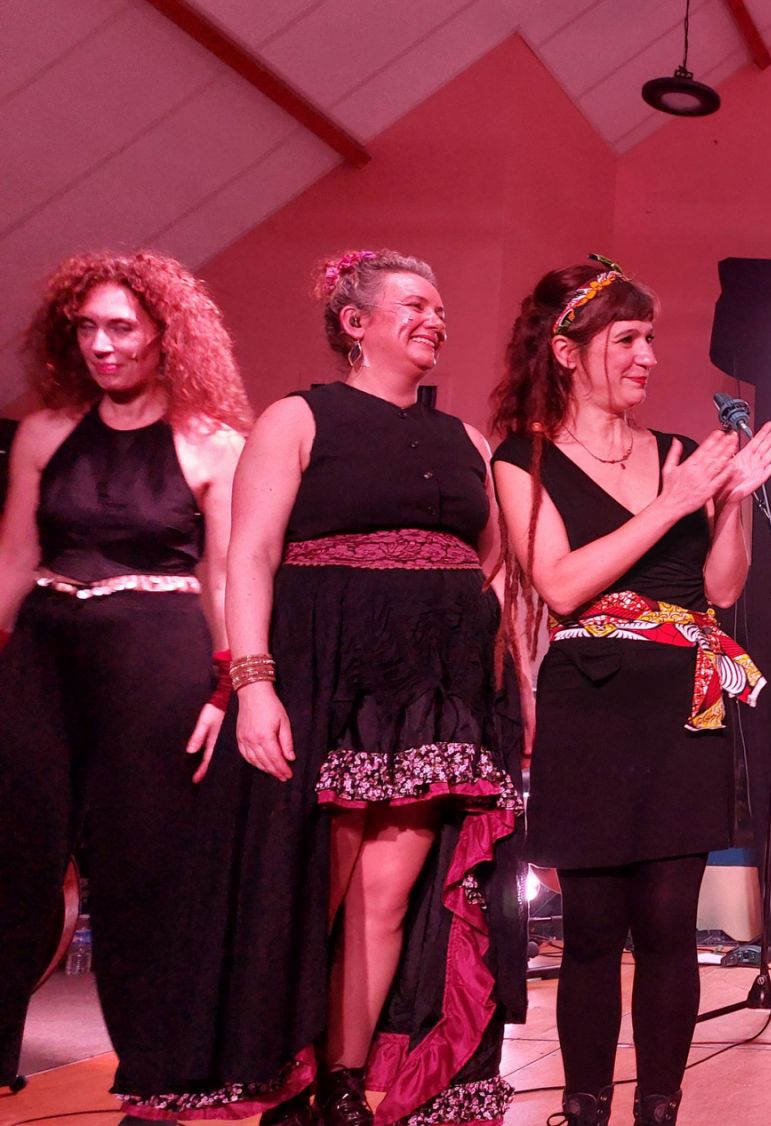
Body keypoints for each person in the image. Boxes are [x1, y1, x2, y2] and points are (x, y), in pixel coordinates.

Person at [132, 250, 525, 1126]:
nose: (434, 320)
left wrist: (465, 619)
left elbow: (492, 555)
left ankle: (343, 1081)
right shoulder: (297, 418)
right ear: (355, 322)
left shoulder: (465, 438)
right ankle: (282, 1068)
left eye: (439, 308)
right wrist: (254, 683)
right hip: (329, 673)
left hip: (435, 689)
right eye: (414, 305)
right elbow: (250, 554)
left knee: (391, 893)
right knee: (315, 887)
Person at [490, 259, 771, 1126]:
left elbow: (721, 588)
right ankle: (586, 1105)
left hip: (682, 707)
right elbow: (559, 582)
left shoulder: (680, 455)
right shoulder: (524, 458)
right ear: (567, 351)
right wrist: (673, 503)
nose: (648, 356)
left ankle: (660, 1106)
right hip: (590, 704)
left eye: (650, 339)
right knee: (590, 928)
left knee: (667, 925)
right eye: (627, 339)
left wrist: (732, 503)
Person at [0, 251, 247, 1100]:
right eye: (87, 328)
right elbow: (14, 559)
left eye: (120, 328)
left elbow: (226, 579)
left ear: (165, 336)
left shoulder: (213, 444)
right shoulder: (45, 432)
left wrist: (230, 686)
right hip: (44, 655)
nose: (101, 345)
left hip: (157, 660)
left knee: (141, 871)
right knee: (14, 857)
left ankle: (156, 1072)